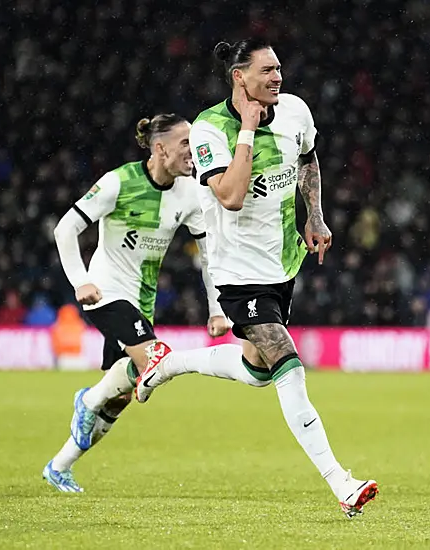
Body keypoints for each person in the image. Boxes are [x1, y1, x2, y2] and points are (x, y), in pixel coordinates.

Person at [134, 39, 378, 518]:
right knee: (286, 360)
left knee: (257, 369)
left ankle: (168, 364)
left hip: (282, 261)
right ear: (238, 78)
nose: (277, 77)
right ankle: (341, 482)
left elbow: (308, 158)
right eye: (267, 70)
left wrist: (316, 216)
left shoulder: (295, 112)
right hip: (237, 270)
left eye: (280, 68)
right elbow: (230, 195)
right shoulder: (210, 129)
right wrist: (247, 128)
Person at [43, 114, 275, 492]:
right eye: (185, 143)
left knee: (121, 395)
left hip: (140, 301)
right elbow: (65, 228)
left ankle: (59, 465)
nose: (192, 151)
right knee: (153, 361)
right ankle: (86, 402)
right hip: (105, 291)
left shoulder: (189, 192)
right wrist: (80, 280)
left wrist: (216, 309)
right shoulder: (118, 182)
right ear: (160, 148)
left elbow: (208, 255)